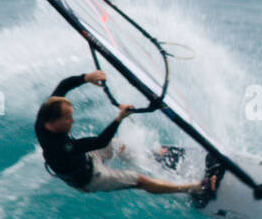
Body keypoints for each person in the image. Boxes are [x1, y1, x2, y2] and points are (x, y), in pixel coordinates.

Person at [35, 71, 202, 195]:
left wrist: (86, 77)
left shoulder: (48, 112)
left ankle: (155, 157)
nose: (73, 120)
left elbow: (63, 85)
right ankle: (194, 187)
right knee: (141, 180)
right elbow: (100, 141)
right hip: (91, 178)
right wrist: (119, 118)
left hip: (85, 156)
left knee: (122, 145)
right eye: (67, 118)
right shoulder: (59, 147)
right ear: (53, 122)